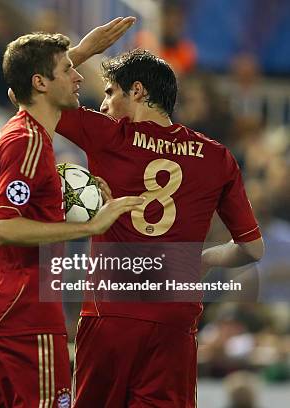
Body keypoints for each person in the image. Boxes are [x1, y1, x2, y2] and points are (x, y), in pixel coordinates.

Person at [0, 22, 142, 408]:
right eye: (69, 69)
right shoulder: (29, 143)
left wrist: (81, 51)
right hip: (27, 314)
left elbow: (28, 84)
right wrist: (90, 225)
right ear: (40, 83)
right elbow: (4, 227)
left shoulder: (19, 131)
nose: (78, 75)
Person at [55, 46, 264, 406]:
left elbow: (34, 96)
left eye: (109, 93)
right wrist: (205, 258)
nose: (103, 105)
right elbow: (252, 248)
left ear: (136, 91)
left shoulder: (108, 135)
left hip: (111, 315)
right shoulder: (217, 156)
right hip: (175, 321)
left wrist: (81, 49)